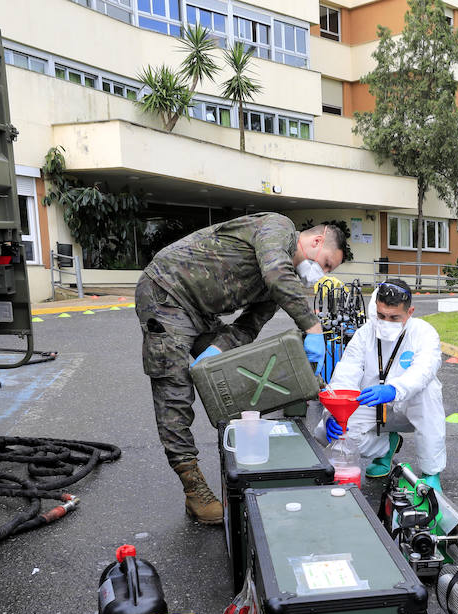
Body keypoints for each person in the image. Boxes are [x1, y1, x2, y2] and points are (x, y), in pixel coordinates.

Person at [135, 214, 347, 523]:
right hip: (167, 293)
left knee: (234, 377)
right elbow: (276, 274)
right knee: (175, 392)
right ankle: (194, 489)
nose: (321, 273)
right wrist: (313, 328)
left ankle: (243, 469)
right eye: (326, 264)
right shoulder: (279, 227)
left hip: (199, 311)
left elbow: (248, 327)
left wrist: (216, 350)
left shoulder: (281, 282)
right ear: (316, 241)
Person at [322, 279, 445, 489]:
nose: (386, 322)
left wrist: (394, 389)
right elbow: (345, 374)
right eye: (381, 316)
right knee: (324, 432)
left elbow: (424, 370)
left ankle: (431, 471)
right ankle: (386, 447)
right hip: (373, 403)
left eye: (394, 317)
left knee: (429, 391)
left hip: (407, 406)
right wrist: (333, 414)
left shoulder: (424, 333)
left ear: (410, 312)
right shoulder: (365, 334)